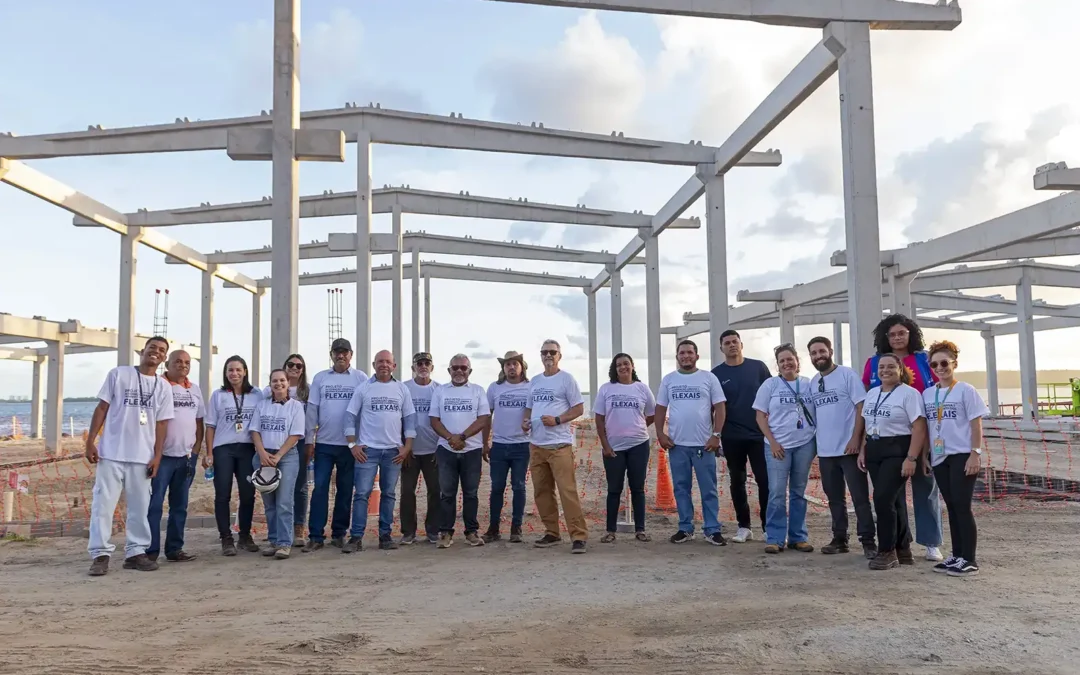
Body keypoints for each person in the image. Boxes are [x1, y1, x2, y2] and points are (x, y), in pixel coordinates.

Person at [86, 336, 175, 576]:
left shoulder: (163, 386)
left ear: (165, 358)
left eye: (161, 350)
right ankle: (100, 554)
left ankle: (136, 552)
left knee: (139, 508)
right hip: (112, 454)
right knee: (103, 506)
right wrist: (90, 441)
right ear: (143, 351)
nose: (155, 352)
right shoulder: (119, 374)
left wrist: (158, 456)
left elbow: (162, 424)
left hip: (142, 457)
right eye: (152, 347)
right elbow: (102, 408)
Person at [863, 314, 944, 562]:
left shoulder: (923, 360)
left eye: (902, 333)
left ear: (911, 334)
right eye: (892, 334)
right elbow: (869, 400)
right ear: (885, 337)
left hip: (924, 432)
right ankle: (902, 544)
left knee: (925, 488)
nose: (897, 338)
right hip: (891, 436)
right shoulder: (874, 363)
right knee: (892, 496)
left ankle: (931, 542)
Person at [922, 341, 988, 578]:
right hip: (940, 457)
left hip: (961, 455)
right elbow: (928, 426)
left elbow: (976, 423)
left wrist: (975, 453)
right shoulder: (929, 393)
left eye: (944, 363)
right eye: (934, 364)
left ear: (954, 364)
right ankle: (957, 555)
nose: (939, 368)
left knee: (962, 506)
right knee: (951, 507)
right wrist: (925, 455)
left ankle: (970, 559)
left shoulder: (965, 390)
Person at [807, 337, 876, 559]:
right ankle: (840, 538)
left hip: (849, 450)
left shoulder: (847, 375)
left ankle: (868, 541)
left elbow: (861, 407)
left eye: (822, 351)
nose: (819, 356)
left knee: (860, 498)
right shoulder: (813, 382)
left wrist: (857, 438)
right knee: (835, 499)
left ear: (831, 351)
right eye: (814, 353)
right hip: (826, 452)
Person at [858, 353, 928, 571]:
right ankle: (903, 548)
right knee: (894, 500)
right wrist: (862, 450)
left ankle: (886, 550)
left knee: (882, 499)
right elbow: (867, 424)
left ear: (900, 369)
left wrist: (911, 458)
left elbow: (919, 427)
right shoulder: (872, 393)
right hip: (874, 449)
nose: (885, 370)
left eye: (890, 366)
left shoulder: (909, 394)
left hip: (897, 450)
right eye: (881, 367)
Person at [655, 339, 727, 546]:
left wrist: (717, 435)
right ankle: (685, 528)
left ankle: (712, 529)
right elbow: (660, 409)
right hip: (677, 445)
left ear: (697, 356)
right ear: (677, 357)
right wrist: (660, 434)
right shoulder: (669, 380)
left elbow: (720, 408)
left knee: (709, 489)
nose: (686, 356)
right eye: (682, 353)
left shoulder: (708, 378)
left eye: (689, 352)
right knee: (681, 488)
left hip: (704, 445)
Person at [343, 350, 415, 553]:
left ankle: (385, 535)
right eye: (380, 361)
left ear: (394, 366)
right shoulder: (364, 388)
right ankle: (356, 537)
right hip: (367, 450)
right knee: (362, 494)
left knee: (389, 494)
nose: (384, 365)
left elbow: (410, 419)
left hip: (393, 451)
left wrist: (407, 446)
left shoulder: (401, 389)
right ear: (374, 365)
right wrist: (352, 445)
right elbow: (349, 416)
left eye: (388, 362)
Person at [302, 338, 368, 552]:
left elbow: (366, 412)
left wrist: (361, 441)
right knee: (319, 488)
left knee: (345, 490)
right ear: (331, 354)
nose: (341, 355)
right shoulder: (321, 378)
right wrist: (309, 439)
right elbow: (312, 410)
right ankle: (315, 535)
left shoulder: (361, 378)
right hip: (324, 444)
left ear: (351, 354)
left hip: (350, 446)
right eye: (336, 352)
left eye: (344, 352)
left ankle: (339, 533)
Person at [523, 339, 588, 553]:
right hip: (536, 445)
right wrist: (525, 422)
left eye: (552, 352)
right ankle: (552, 533)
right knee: (542, 492)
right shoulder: (534, 381)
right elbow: (529, 408)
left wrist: (558, 420)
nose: (548, 355)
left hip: (559, 445)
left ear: (560, 355)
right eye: (544, 352)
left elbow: (579, 408)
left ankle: (578, 536)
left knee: (567, 491)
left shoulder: (566, 379)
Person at [753, 343, 817, 554]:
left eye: (790, 359)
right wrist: (771, 441)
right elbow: (760, 416)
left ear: (797, 361)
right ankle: (775, 537)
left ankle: (798, 537)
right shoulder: (770, 385)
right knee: (777, 493)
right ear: (778, 365)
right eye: (782, 361)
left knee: (799, 492)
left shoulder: (808, 384)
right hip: (777, 446)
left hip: (804, 444)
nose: (787, 363)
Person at [712, 330, 772, 543]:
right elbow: (714, 408)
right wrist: (715, 435)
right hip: (731, 436)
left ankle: (768, 527)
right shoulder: (716, 374)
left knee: (765, 481)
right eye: (727, 343)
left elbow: (772, 396)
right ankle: (744, 527)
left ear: (741, 344)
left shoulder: (758, 368)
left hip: (759, 436)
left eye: (734, 342)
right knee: (736, 481)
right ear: (721, 348)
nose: (731, 345)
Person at [145, 349, 204, 563]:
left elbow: (199, 423)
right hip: (161, 457)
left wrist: (196, 451)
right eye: (178, 361)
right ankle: (150, 551)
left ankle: (174, 549)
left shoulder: (195, 390)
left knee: (180, 506)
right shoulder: (157, 386)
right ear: (168, 364)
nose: (183, 365)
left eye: (187, 362)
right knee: (154, 505)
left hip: (186, 458)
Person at [203, 355, 265, 556]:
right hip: (224, 449)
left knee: (248, 494)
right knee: (223, 494)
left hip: (247, 449)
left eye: (238, 370)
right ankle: (226, 538)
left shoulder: (256, 394)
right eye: (230, 370)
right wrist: (209, 452)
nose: (234, 374)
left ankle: (245, 536)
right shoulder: (218, 395)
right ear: (225, 373)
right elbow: (210, 426)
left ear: (245, 371)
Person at [429, 354, 491, 548]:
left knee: (471, 493)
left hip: (471, 450)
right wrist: (450, 438)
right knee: (447, 493)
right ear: (449, 370)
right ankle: (446, 532)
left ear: (469, 371)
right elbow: (434, 420)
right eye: (455, 367)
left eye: (463, 368)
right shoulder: (440, 391)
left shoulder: (478, 391)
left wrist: (462, 437)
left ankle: (471, 531)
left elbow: (483, 419)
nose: (459, 371)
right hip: (446, 450)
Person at [594, 353, 655, 543]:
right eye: (619, 364)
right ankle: (610, 531)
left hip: (639, 445)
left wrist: (637, 427)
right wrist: (605, 445)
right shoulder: (606, 389)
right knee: (614, 489)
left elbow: (652, 414)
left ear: (632, 366)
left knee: (638, 488)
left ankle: (640, 530)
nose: (623, 367)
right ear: (615, 368)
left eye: (626, 364)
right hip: (613, 447)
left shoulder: (642, 388)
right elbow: (599, 419)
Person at [249, 368, 306, 559]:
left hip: (286, 456)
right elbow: (255, 431)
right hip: (264, 456)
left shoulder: (295, 406)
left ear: (288, 383)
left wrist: (279, 456)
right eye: (275, 381)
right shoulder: (262, 405)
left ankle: (284, 543)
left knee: (284, 501)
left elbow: (296, 434)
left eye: (282, 380)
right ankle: (273, 540)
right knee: (269, 503)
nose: (278, 384)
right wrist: (262, 453)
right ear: (270, 384)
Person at [482, 350, 532, 543]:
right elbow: (487, 417)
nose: (511, 367)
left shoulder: (530, 387)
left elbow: (536, 411)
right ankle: (493, 528)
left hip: (522, 445)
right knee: (496, 487)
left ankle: (516, 528)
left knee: (519, 487)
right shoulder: (494, 388)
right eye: (508, 364)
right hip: (500, 446)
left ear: (522, 367)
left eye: (515, 364)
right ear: (503, 368)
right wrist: (484, 442)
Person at [269, 353, 310, 546]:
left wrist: (312, 442)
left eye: (298, 366)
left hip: (299, 442)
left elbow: (312, 419)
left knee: (299, 485)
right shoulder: (270, 390)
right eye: (290, 364)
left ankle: (298, 526)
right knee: (276, 487)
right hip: (275, 442)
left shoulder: (307, 392)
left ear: (303, 370)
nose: (294, 368)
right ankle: (278, 532)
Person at [400, 352, 441, 545]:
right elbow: (397, 419)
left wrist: (441, 448)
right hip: (410, 451)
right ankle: (408, 532)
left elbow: (444, 420)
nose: (423, 366)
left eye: (427, 363)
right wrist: (404, 447)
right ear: (413, 367)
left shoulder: (439, 390)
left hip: (433, 450)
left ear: (432, 367)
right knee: (407, 491)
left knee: (435, 490)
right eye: (419, 363)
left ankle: (433, 530)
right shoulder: (404, 388)